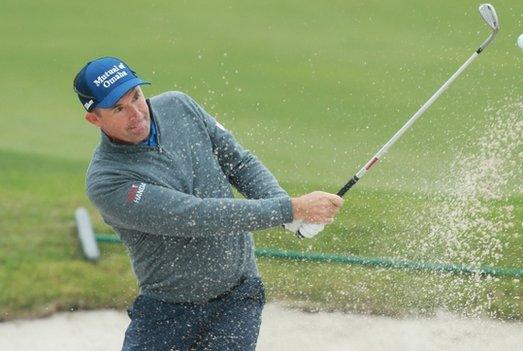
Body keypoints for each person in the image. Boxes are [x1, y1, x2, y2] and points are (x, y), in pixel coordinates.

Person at [73, 56, 343, 350]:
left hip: (238, 297)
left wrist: (282, 209)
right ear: (94, 119)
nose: (136, 113)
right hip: (167, 311)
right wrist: (291, 209)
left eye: (136, 97)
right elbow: (194, 216)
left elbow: (238, 163)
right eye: (118, 108)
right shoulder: (108, 180)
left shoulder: (179, 106)